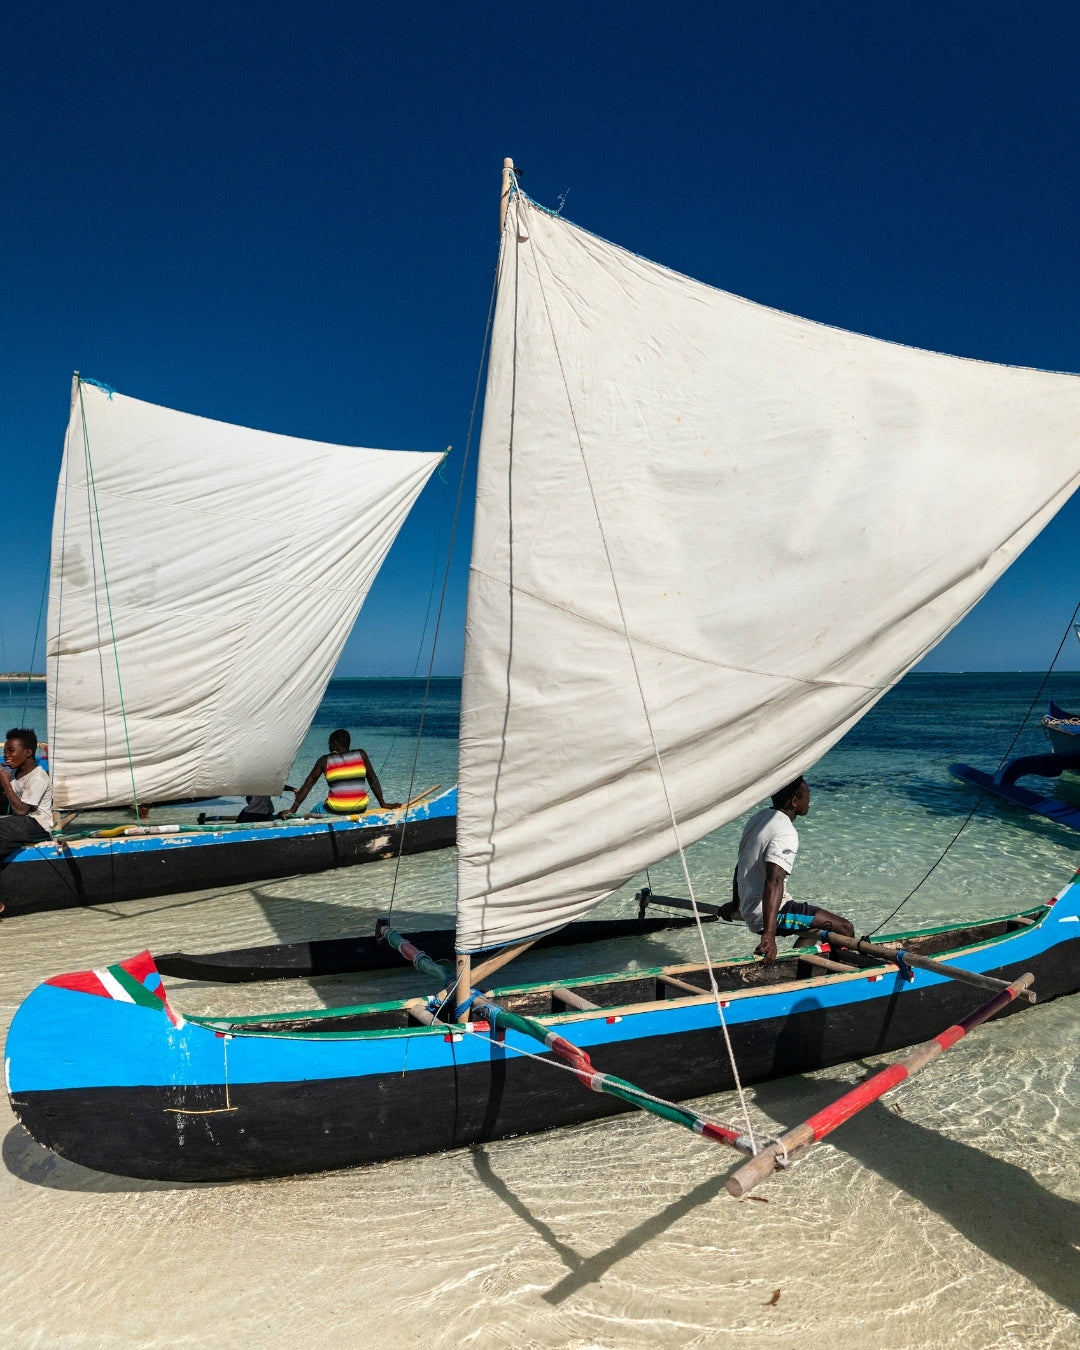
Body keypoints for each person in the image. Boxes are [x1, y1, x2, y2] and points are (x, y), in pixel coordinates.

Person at [719, 776, 854, 965]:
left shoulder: (759, 818)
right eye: (808, 794)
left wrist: (736, 904)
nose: (810, 799)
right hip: (769, 914)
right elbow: (774, 881)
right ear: (794, 801)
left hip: (749, 907)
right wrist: (769, 934)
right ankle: (840, 977)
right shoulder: (785, 831)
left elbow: (742, 864)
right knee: (845, 928)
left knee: (816, 929)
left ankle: (796, 964)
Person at [282, 730, 400, 818]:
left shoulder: (324, 760)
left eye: (329, 744)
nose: (328, 747)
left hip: (336, 810)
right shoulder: (361, 755)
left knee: (314, 811)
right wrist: (382, 803)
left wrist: (293, 809)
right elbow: (372, 779)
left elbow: (307, 786)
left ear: (335, 744)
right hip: (360, 808)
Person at [0, 727, 53, 915]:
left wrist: (5, 783)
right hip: (22, 825)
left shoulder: (38, 776)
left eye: (11, 751)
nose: (6, 755)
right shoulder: (16, 774)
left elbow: (22, 810)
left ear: (28, 752)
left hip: (39, 825)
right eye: (4, 751)